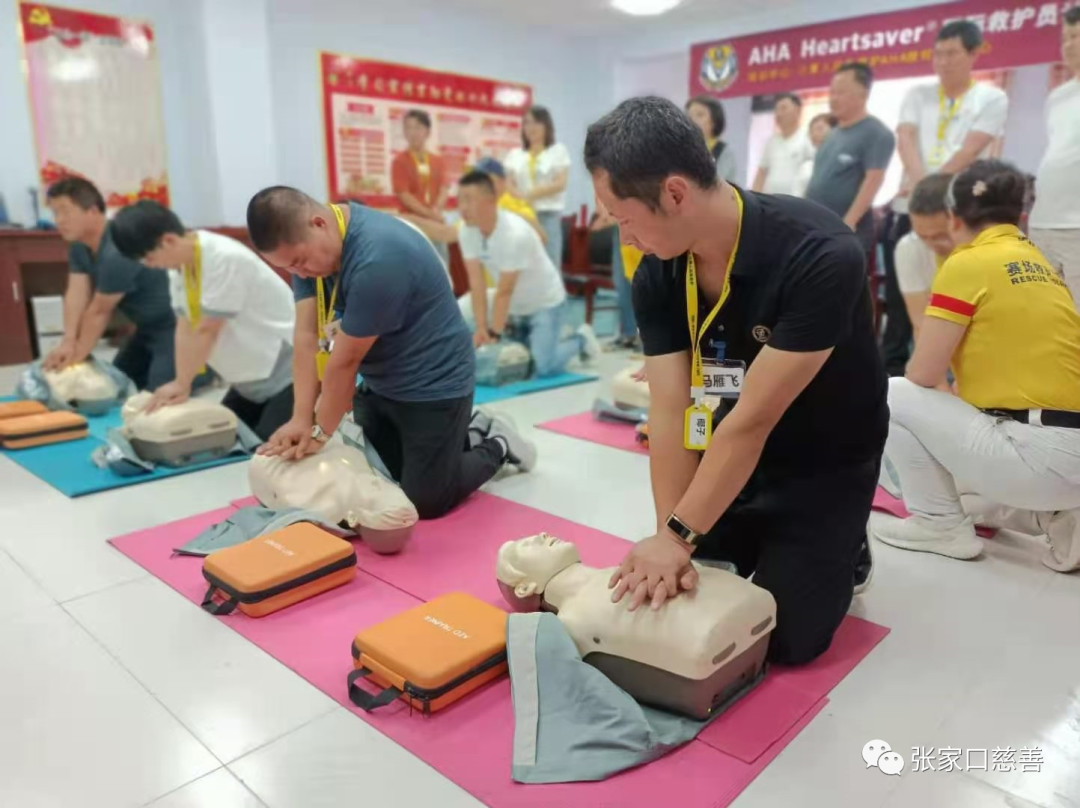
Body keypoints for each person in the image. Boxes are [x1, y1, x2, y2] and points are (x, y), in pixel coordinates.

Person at [584, 97, 888, 665]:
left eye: (624, 218)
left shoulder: (819, 254)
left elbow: (754, 421)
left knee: (788, 638)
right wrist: (672, 536)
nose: (624, 239)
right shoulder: (659, 272)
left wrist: (677, 538)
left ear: (675, 193)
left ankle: (849, 535)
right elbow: (670, 411)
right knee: (693, 589)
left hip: (823, 456)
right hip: (726, 441)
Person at [246, 186, 535, 519]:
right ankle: (464, 436)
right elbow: (306, 336)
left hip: (435, 385)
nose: (300, 274)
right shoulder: (308, 252)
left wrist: (318, 432)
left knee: (424, 501)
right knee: (380, 478)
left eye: (299, 263)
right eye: (290, 269)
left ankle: (495, 442)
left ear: (319, 223)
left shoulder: (378, 257)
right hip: (381, 383)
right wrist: (300, 418)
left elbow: (344, 363)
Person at [872, 161, 1080, 573]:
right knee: (960, 488)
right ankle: (1059, 519)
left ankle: (939, 525)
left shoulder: (968, 262)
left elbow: (922, 375)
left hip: (1037, 454)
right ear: (1021, 215)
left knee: (893, 392)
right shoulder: (1041, 265)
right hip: (1062, 453)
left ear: (953, 217)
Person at [110, 201, 296, 441]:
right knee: (224, 439)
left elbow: (206, 329)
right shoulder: (180, 265)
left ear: (168, 241)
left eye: (149, 258)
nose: (150, 266)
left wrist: (182, 383)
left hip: (288, 369)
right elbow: (184, 325)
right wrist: (180, 381)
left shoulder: (223, 257)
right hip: (248, 377)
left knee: (269, 447)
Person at [885, 20, 1009, 376]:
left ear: (973, 54)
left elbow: (970, 150)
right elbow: (906, 140)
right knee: (903, 297)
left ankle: (966, 370)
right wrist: (924, 191)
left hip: (959, 213)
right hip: (912, 207)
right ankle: (900, 375)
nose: (942, 61)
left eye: (952, 53)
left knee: (961, 294)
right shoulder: (917, 94)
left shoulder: (991, 98)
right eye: (937, 54)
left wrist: (931, 190)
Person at [458, 171, 600, 376]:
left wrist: (494, 334)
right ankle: (544, 339)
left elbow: (505, 291)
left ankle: (581, 340)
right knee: (517, 361)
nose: (462, 207)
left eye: (469, 200)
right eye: (460, 200)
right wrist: (481, 328)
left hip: (546, 303)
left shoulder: (514, 233)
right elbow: (476, 282)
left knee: (540, 366)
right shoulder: (466, 230)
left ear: (490, 201)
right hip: (516, 307)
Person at [42, 177, 176, 390]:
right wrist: (68, 341)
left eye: (65, 211)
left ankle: (205, 368)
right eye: (55, 213)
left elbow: (99, 311)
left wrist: (76, 357)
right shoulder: (79, 245)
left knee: (160, 392)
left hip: (175, 326)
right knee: (117, 382)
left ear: (93, 211)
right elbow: (76, 293)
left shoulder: (118, 247)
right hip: (144, 329)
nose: (59, 220)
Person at [806, 63, 896, 258]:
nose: (833, 98)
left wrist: (848, 223)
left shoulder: (877, 133)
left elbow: (873, 180)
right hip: (816, 229)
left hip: (846, 232)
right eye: (832, 92)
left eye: (841, 92)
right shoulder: (832, 134)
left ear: (863, 94)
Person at [1029, 7, 1080, 299]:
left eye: (1076, 35)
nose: (1069, 44)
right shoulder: (1057, 97)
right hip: (1044, 222)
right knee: (1043, 310)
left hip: (1077, 226)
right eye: (1065, 37)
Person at [504, 106, 572, 268]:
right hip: (521, 215)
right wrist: (522, 198)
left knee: (549, 264)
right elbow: (508, 184)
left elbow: (560, 183)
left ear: (546, 125)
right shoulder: (515, 154)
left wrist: (532, 194)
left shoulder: (558, 151)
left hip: (547, 216)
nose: (531, 127)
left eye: (536, 122)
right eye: (527, 123)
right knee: (521, 266)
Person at [893, 173, 955, 341]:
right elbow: (921, 323)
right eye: (923, 236)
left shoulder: (993, 247)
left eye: (941, 236)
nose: (931, 245)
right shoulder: (909, 248)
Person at [390, 110, 447, 225]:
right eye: (408, 128)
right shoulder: (399, 161)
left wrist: (436, 210)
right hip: (410, 221)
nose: (413, 132)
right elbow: (404, 196)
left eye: (418, 127)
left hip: (434, 220)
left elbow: (443, 189)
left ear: (428, 132)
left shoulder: (438, 161)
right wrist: (430, 214)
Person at [752, 93, 813, 196]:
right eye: (776, 110)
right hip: (770, 199)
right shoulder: (771, 141)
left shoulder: (808, 137)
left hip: (796, 201)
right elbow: (761, 172)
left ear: (798, 110)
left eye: (783, 108)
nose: (779, 114)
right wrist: (754, 198)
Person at [685, 95, 737, 184]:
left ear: (714, 121)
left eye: (700, 115)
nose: (693, 120)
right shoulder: (683, 148)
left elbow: (716, 184)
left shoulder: (724, 152)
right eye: (689, 116)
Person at [791, 112, 835, 198]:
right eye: (811, 132)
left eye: (820, 129)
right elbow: (796, 196)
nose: (814, 134)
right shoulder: (807, 167)